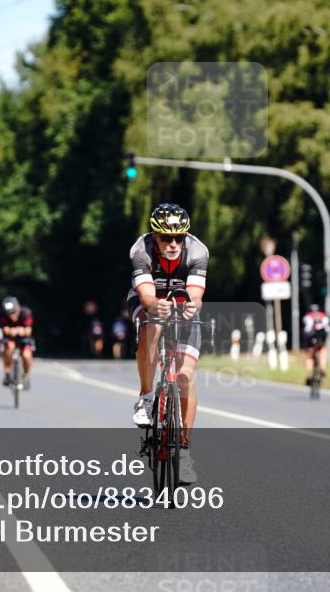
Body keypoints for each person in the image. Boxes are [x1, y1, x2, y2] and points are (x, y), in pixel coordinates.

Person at [127, 203, 208, 484]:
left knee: (185, 378)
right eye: (165, 238)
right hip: (148, 300)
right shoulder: (141, 250)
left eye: (178, 238)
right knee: (153, 322)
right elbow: (147, 295)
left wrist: (190, 307)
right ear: (154, 236)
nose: (173, 244)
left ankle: (184, 451)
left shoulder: (198, 251)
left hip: (182, 302)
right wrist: (154, 305)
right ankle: (147, 397)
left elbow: (196, 295)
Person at [0, 296, 35, 388]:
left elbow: (28, 331)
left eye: (13, 312)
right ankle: (7, 374)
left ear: (18, 308)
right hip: (10, 338)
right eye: (9, 313)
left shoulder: (26, 313)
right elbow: (5, 329)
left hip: (24, 338)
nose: (11, 316)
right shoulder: (3, 315)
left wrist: (20, 331)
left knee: (26, 355)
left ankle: (25, 375)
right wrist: (13, 331)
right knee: (9, 348)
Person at [302, 304, 330, 384]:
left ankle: (310, 375)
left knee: (309, 357)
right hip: (321, 337)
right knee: (322, 353)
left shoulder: (308, 316)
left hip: (311, 337)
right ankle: (322, 369)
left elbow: (307, 329)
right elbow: (328, 328)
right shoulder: (324, 316)